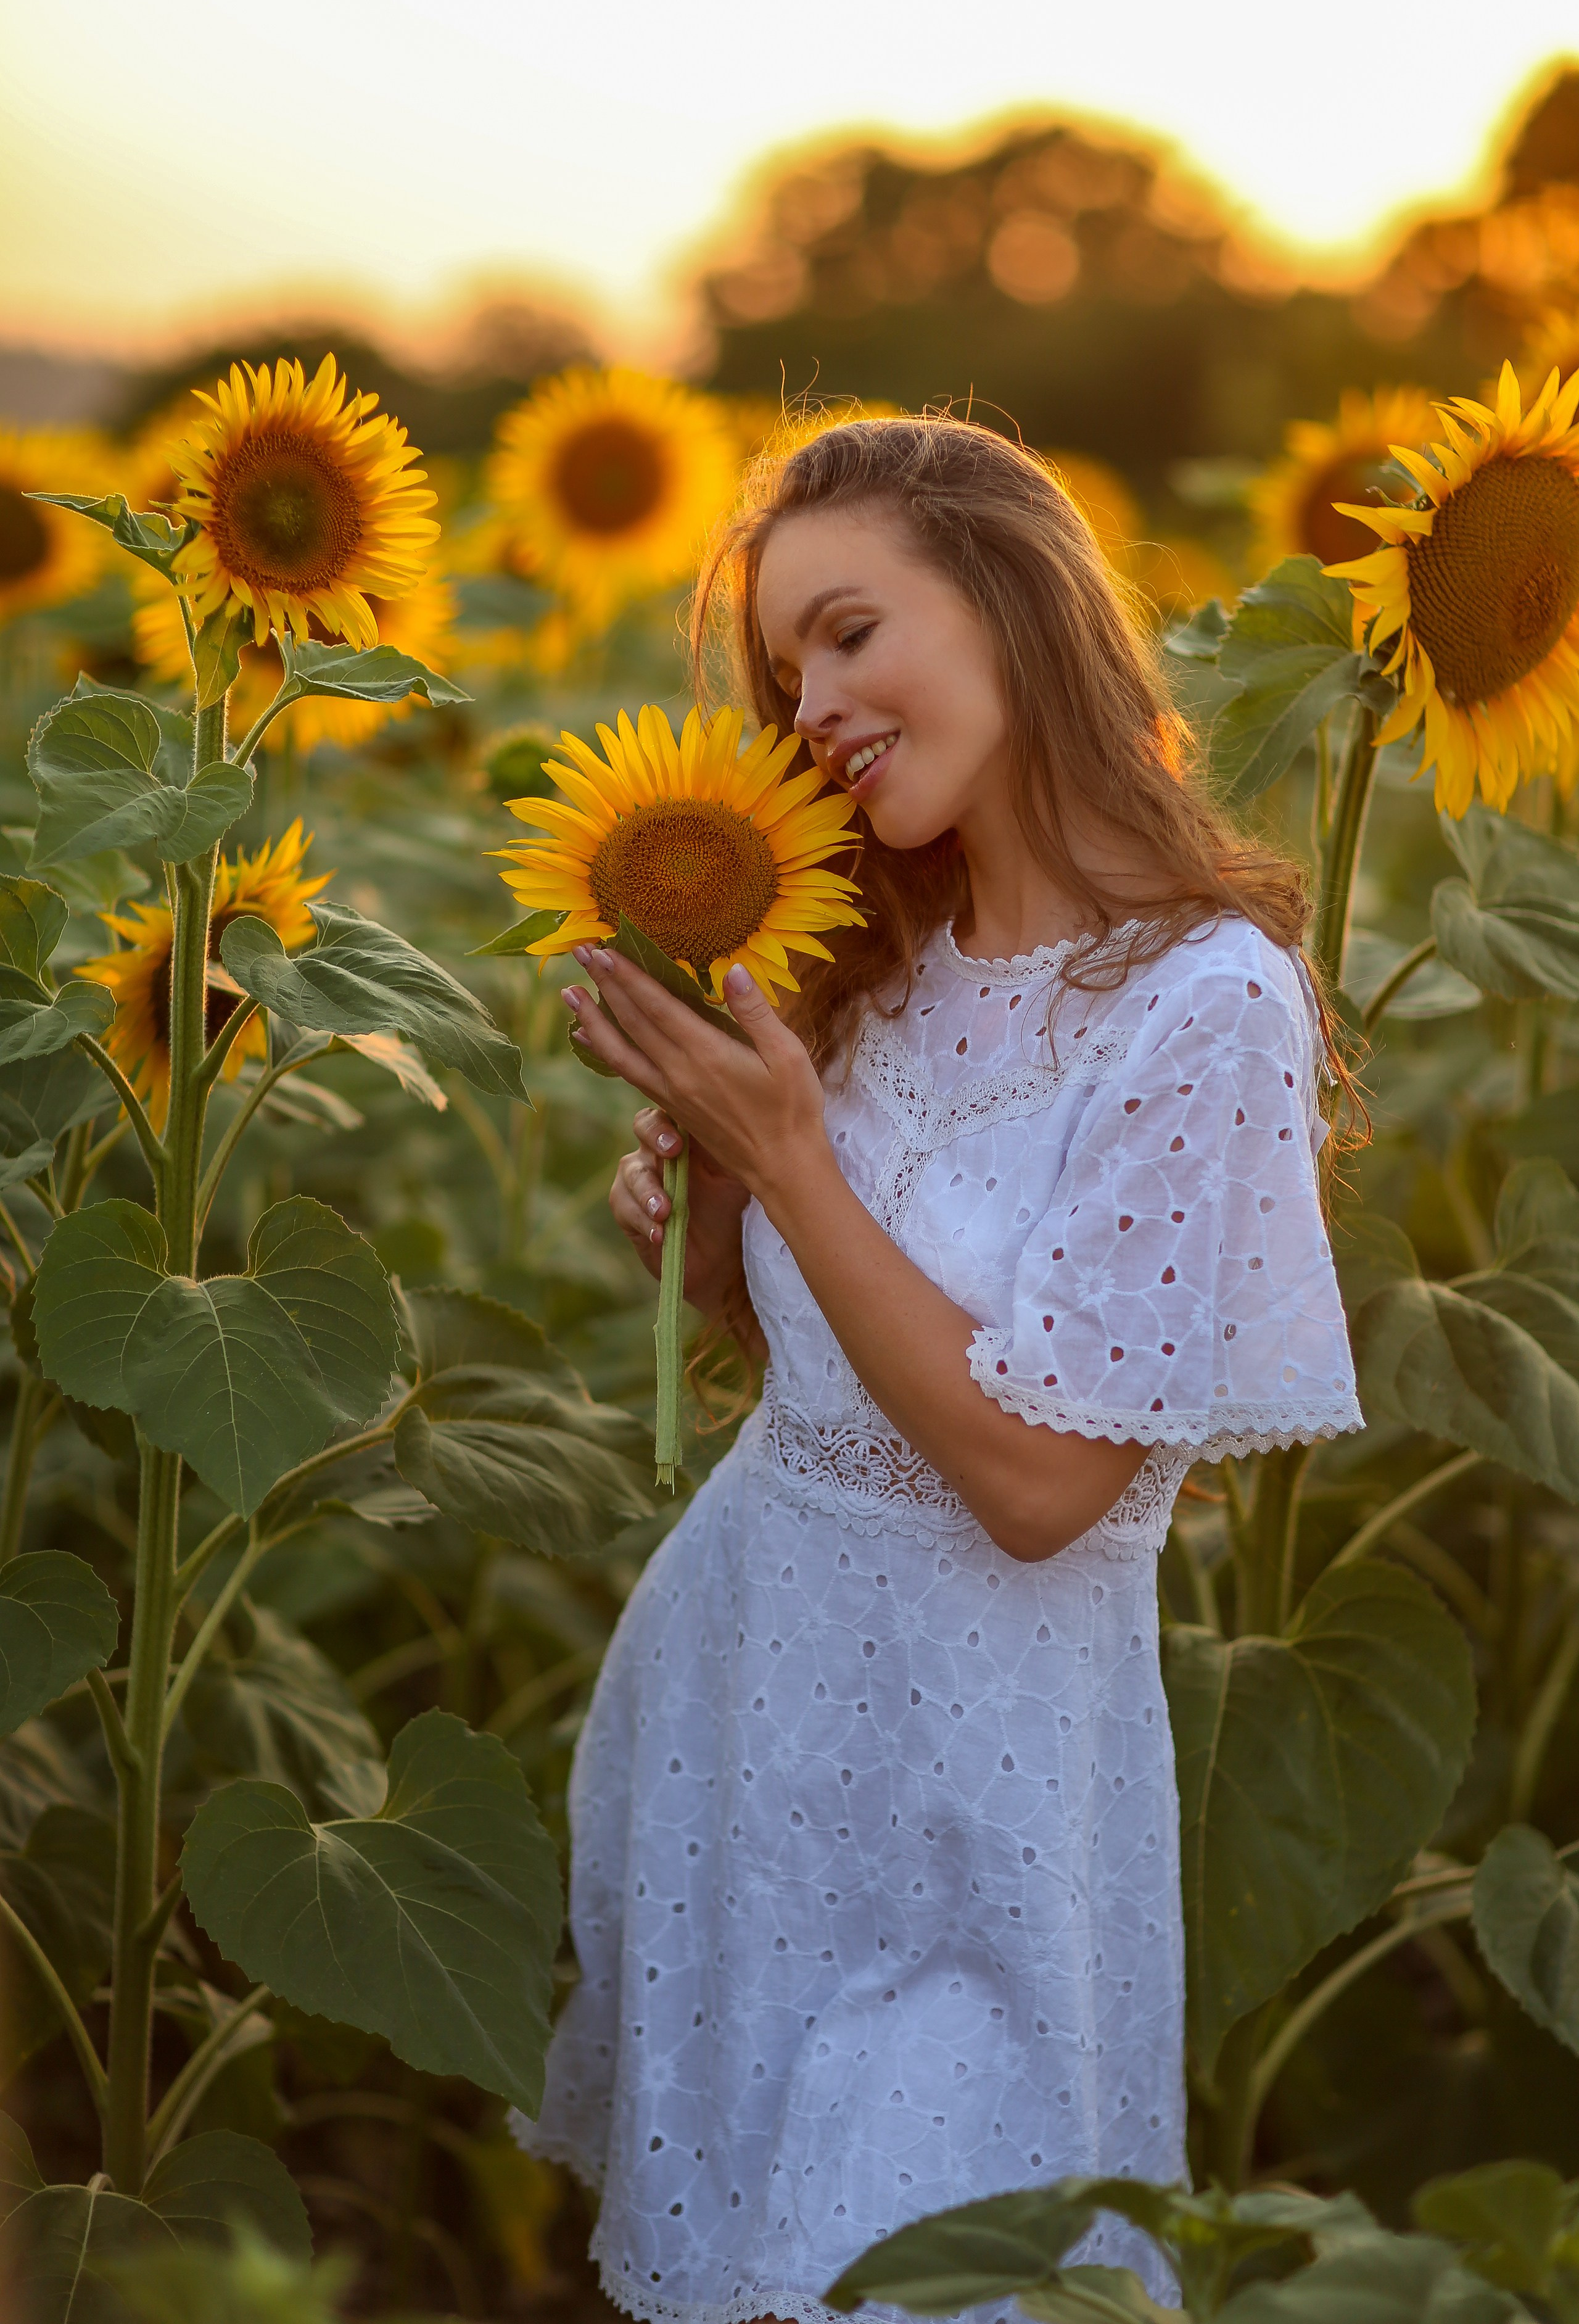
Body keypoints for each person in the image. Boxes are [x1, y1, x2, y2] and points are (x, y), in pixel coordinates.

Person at [513, 416, 1361, 2319]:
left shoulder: (1202, 998)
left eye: (845, 631)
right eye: (781, 670)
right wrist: (715, 1193)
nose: (807, 705)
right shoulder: (879, 962)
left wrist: (796, 1163)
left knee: (925, 2268)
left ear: (1008, 597)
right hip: (752, 1731)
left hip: (981, 1811)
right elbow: (815, 1372)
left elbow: (1044, 1488)